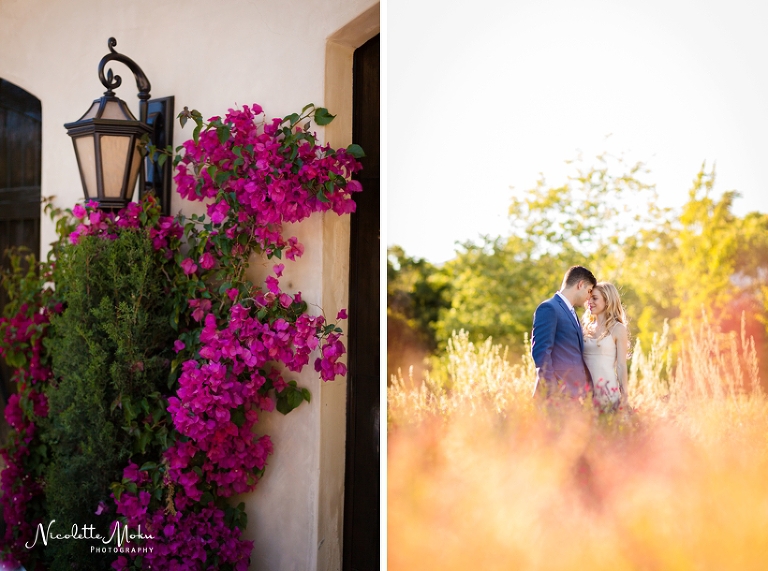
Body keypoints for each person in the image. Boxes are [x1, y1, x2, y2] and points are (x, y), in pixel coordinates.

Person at [531, 266, 597, 401]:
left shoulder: (572, 313)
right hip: (557, 396)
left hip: (574, 396)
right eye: (589, 291)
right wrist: (553, 390)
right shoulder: (549, 308)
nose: (589, 297)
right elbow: (541, 352)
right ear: (580, 285)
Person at [581, 282, 629, 411]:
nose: (589, 301)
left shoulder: (618, 328)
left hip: (608, 392)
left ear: (607, 300)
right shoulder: (584, 328)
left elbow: (621, 366)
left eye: (595, 298)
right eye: (589, 297)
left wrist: (625, 397)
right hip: (585, 393)